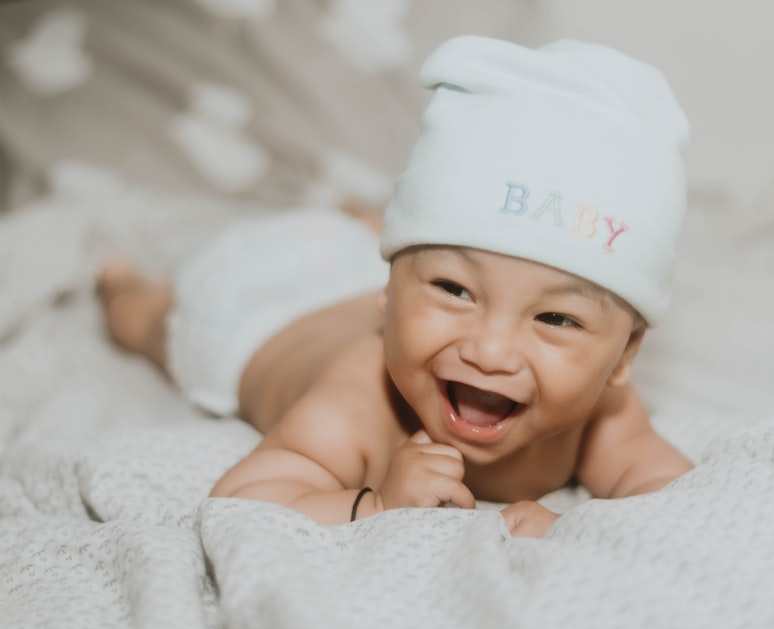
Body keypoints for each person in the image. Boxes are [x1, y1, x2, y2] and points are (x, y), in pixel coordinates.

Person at [98, 35, 695, 537]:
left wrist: (575, 531)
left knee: (422, 242)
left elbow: (673, 497)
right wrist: (376, 505)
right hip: (252, 310)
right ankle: (125, 286)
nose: (488, 351)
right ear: (391, 290)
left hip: (359, 269)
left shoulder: (607, 415)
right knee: (150, 325)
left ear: (625, 356)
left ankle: (378, 230)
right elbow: (242, 500)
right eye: (455, 290)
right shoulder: (357, 404)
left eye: (555, 319)